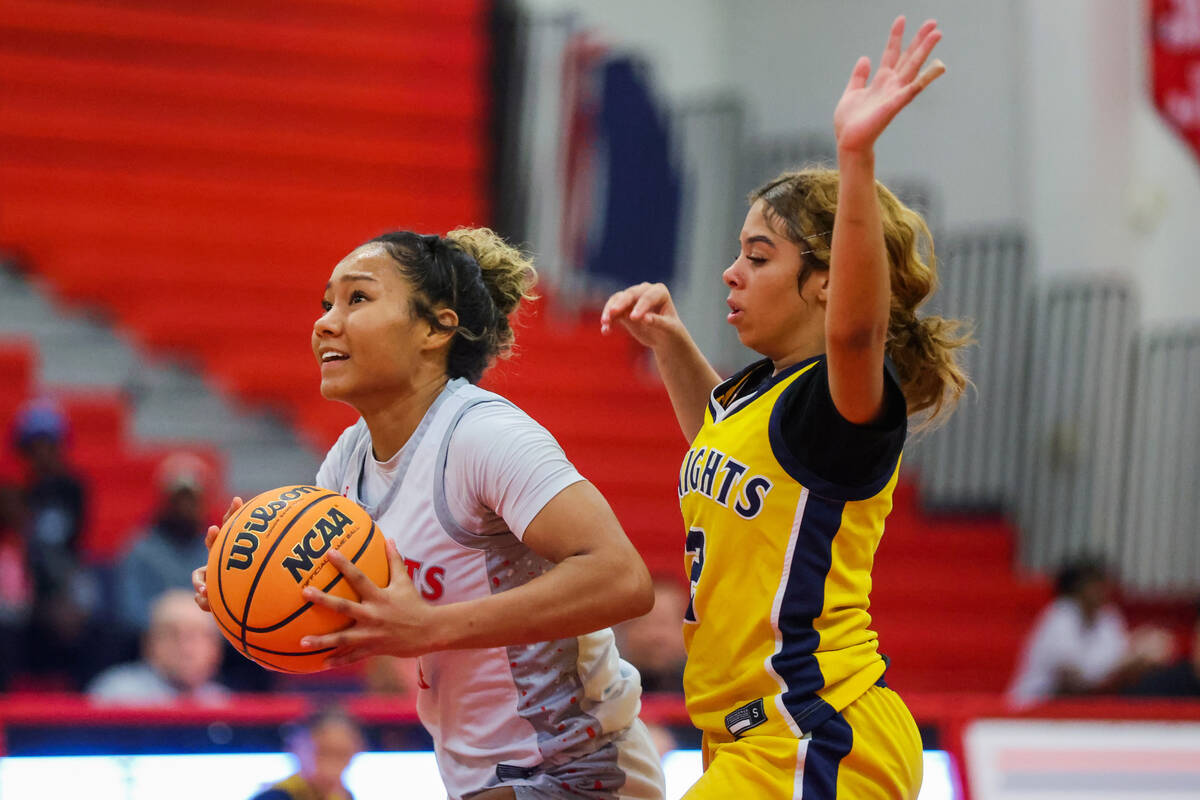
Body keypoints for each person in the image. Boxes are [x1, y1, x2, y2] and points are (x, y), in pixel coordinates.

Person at [600, 17, 964, 799]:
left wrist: (855, 159)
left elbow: (859, 331)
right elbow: (720, 447)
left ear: (827, 281)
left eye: (758, 257)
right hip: (747, 741)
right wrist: (669, 342)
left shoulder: (842, 398)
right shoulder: (759, 395)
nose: (731, 273)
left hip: (815, 729)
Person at [194, 228, 666, 800]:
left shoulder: (482, 433)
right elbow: (339, 626)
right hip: (480, 775)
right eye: (326, 304)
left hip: (577, 769)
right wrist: (243, 588)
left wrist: (429, 628)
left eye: (357, 299)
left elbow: (624, 579)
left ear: (436, 327)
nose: (324, 323)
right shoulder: (347, 462)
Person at [1008, 557, 1174, 706]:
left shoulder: (1108, 617)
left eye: (1103, 582)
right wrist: (1122, 669)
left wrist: (1139, 659)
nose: (1102, 589)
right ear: (1077, 589)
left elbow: (1116, 666)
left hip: (1082, 710)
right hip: (1036, 707)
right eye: (1094, 584)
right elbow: (1070, 685)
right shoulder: (1060, 616)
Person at [115, 452, 213, 639]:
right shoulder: (139, 550)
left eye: (191, 500)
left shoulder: (218, 553)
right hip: (152, 650)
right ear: (165, 501)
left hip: (210, 651)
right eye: (179, 500)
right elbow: (129, 611)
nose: (185, 508)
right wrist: (175, 628)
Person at [88, 588, 229, 704]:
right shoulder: (114, 695)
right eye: (172, 635)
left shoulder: (222, 703)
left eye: (196, 636)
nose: (186, 648)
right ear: (149, 643)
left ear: (216, 649)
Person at [252, 707, 365, 800]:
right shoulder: (274, 797)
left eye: (342, 755)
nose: (331, 766)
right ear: (298, 748)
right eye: (323, 753)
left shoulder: (345, 796)